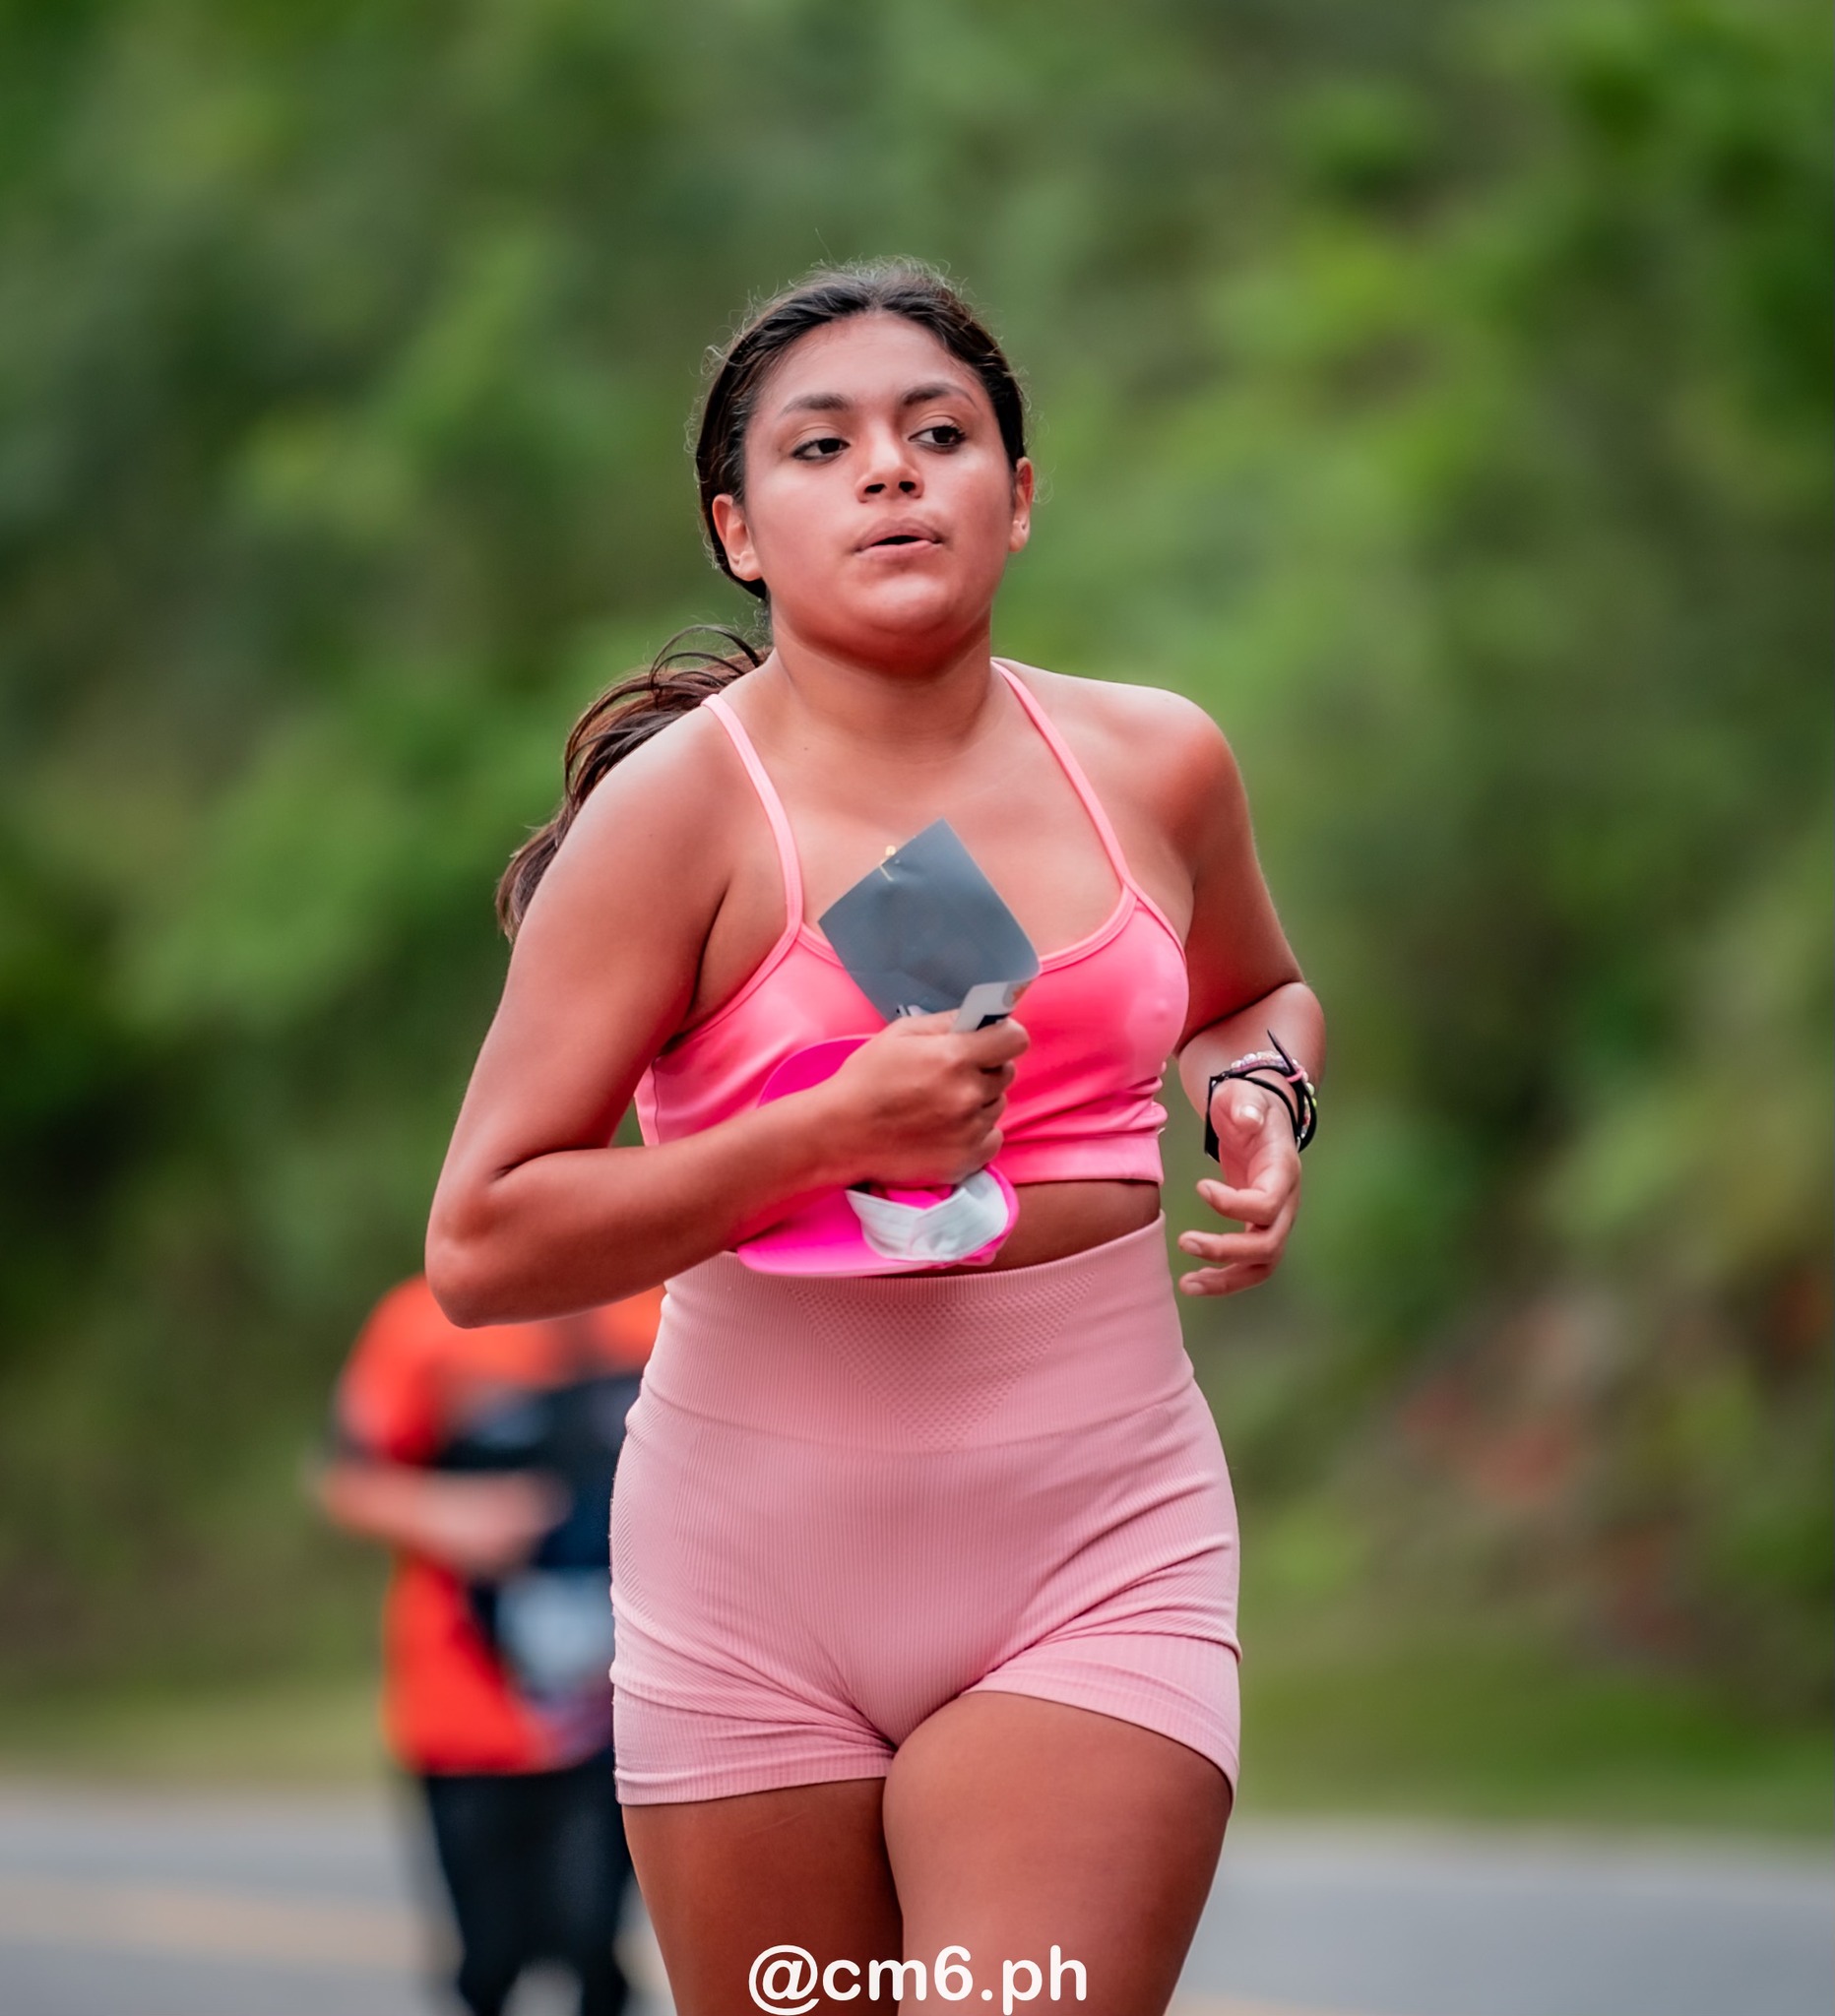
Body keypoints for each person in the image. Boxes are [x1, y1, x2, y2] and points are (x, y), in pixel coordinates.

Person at [427, 261, 1326, 2015]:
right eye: (820, 446)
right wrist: (820, 1134)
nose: (890, 470)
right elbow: (483, 1241)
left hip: (1094, 1531)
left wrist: (1260, 1097)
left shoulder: (1156, 761)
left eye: (939, 433)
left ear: (1018, 494)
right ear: (738, 531)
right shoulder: (674, 820)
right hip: (749, 1571)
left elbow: (1257, 995)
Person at [318, 1274, 662, 2016]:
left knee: (593, 1949)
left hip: (621, 1708)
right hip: (467, 1706)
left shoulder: (664, 1307)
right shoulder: (425, 1322)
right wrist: (447, 1514)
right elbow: (344, 1476)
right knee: (490, 1961)